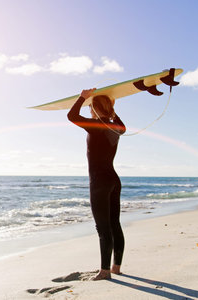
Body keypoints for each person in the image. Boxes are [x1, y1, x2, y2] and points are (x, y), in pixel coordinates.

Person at [67, 88, 126, 280]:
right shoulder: (115, 126)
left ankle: (104, 271)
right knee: (114, 224)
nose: (90, 110)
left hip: (100, 181)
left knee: (103, 228)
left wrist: (82, 97)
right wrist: (111, 110)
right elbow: (123, 127)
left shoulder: (95, 124)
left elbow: (72, 115)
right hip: (114, 180)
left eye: (91, 107)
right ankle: (116, 267)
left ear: (94, 108)